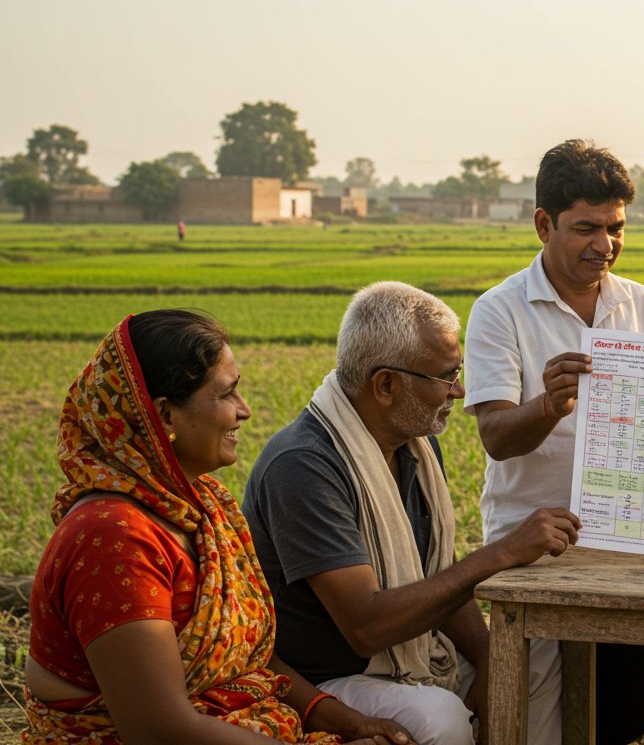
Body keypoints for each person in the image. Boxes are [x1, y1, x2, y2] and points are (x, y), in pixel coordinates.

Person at [25, 310, 413, 744]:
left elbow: (246, 660)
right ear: (166, 416)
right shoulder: (113, 538)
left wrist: (342, 720)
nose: (244, 411)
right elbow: (160, 730)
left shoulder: (206, 506)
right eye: (227, 395)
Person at [243, 283, 581, 745]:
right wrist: (500, 554)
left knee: (528, 669)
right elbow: (367, 628)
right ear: (386, 385)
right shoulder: (303, 467)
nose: (459, 391)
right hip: (327, 678)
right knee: (439, 717)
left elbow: (439, 577)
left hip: (408, 652)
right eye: (446, 376)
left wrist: (486, 659)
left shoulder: (415, 446)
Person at [465, 139, 644, 744]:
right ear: (543, 224)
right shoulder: (499, 311)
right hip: (532, 549)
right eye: (586, 229)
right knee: (538, 719)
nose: (605, 246)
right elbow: (497, 437)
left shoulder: (639, 303)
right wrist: (549, 406)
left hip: (623, 544)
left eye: (616, 228)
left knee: (620, 714)